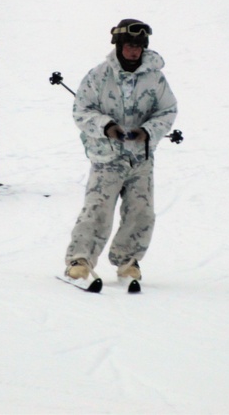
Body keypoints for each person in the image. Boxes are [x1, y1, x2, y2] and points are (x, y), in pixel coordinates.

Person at [64, 19, 178, 284]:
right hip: (107, 157)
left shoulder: (155, 78)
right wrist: (107, 127)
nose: (134, 51)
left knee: (141, 211)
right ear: (118, 45)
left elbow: (168, 110)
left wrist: (148, 131)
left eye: (139, 46)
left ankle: (128, 262)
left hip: (140, 158)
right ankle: (79, 261)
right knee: (97, 209)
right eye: (129, 45)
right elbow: (81, 110)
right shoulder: (99, 76)